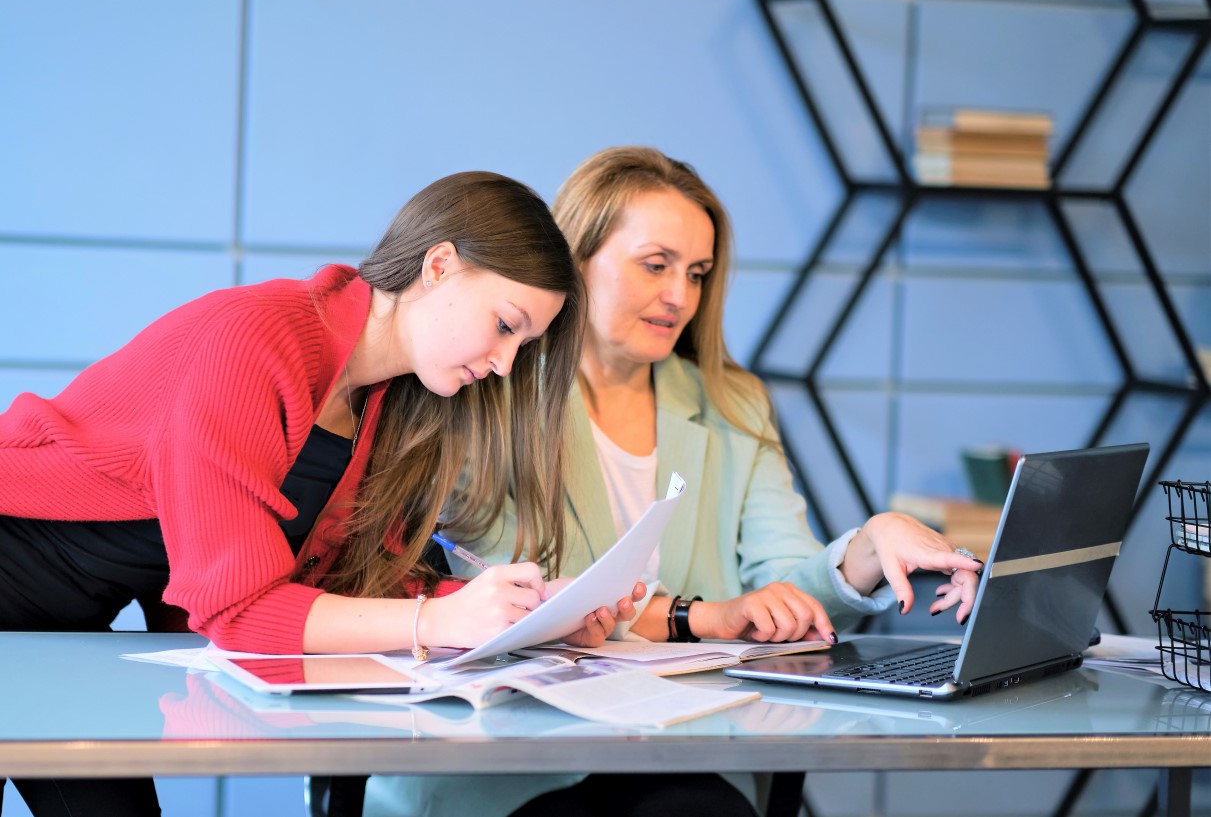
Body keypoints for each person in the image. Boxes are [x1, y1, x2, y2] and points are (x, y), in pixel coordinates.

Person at [363, 148, 983, 817]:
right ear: (577, 259)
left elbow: (781, 597)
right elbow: (529, 591)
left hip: (680, 749)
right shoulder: (488, 382)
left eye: (696, 273)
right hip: (509, 760)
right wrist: (702, 616)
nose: (680, 297)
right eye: (654, 264)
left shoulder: (731, 402)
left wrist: (866, 546)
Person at [0, 171, 638, 817]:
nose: (504, 362)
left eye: (522, 345)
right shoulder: (252, 340)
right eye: (505, 324)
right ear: (439, 265)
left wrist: (524, 615)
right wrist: (437, 621)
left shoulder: (386, 402)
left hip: (59, 629)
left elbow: (357, 591)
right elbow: (241, 609)